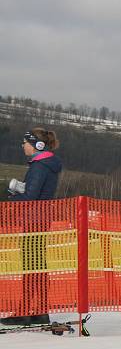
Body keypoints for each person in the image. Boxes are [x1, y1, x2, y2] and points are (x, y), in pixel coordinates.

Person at [1, 129, 63, 326]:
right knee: (37, 265)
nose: (23, 145)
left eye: (25, 142)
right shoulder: (46, 165)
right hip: (40, 219)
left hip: (34, 220)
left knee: (31, 265)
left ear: (38, 145)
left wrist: (10, 199)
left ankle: (26, 311)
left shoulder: (39, 166)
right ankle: (40, 310)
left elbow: (30, 196)